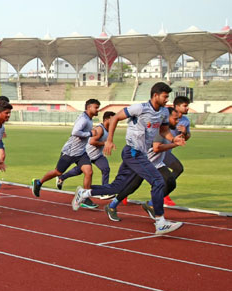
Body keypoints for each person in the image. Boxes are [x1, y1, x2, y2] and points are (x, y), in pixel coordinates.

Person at [72, 82, 185, 235]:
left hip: (138, 154)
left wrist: (174, 140)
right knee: (158, 181)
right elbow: (116, 118)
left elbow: (164, 130)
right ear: (155, 95)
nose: (167, 100)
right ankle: (160, 222)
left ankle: (84, 193)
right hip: (133, 152)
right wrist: (110, 140)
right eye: (165, 96)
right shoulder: (139, 108)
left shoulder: (164, 112)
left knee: (118, 187)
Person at [32, 99, 100, 209]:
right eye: (96, 107)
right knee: (58, 172)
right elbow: (75, 132)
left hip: (81, 152)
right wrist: (90, 133)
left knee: (89, 172)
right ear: (89, 107)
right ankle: (39, 182)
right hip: (70, 151)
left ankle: (85, 197)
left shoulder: (88, 119)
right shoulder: (83, 119)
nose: (98, 110)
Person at [104, 131, 179, 222]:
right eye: (176, 118)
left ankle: (151, 204)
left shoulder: (170, 129)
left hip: (156, 163)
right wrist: (175, 144)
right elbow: (156, 148)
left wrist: (183, 136)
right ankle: (112, 206)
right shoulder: (158, 130)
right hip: (143, 162)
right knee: (133, 185)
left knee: (170, 181)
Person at [56, 111, 115, 192]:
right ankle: (62, 177)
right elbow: (92, 142)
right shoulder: (99, 129)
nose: (116, 120)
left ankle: (104, 191)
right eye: (113, 118)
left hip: (98, 155)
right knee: (78, 171)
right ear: (107, 119)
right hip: (89, 154)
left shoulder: (109, 129)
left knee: (105, 169)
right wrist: (105, 143)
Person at [163, 96, 191, 206]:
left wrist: (184, 133)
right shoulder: (165, 114)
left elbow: (187, 137)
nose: (187, 108)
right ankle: (164, 193)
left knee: (143, 174)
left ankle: (124, 193)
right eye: (185, 106)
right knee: (177, 168)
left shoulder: (186, 121)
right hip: (158, 149)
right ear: (176, 106)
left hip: (168, 150)